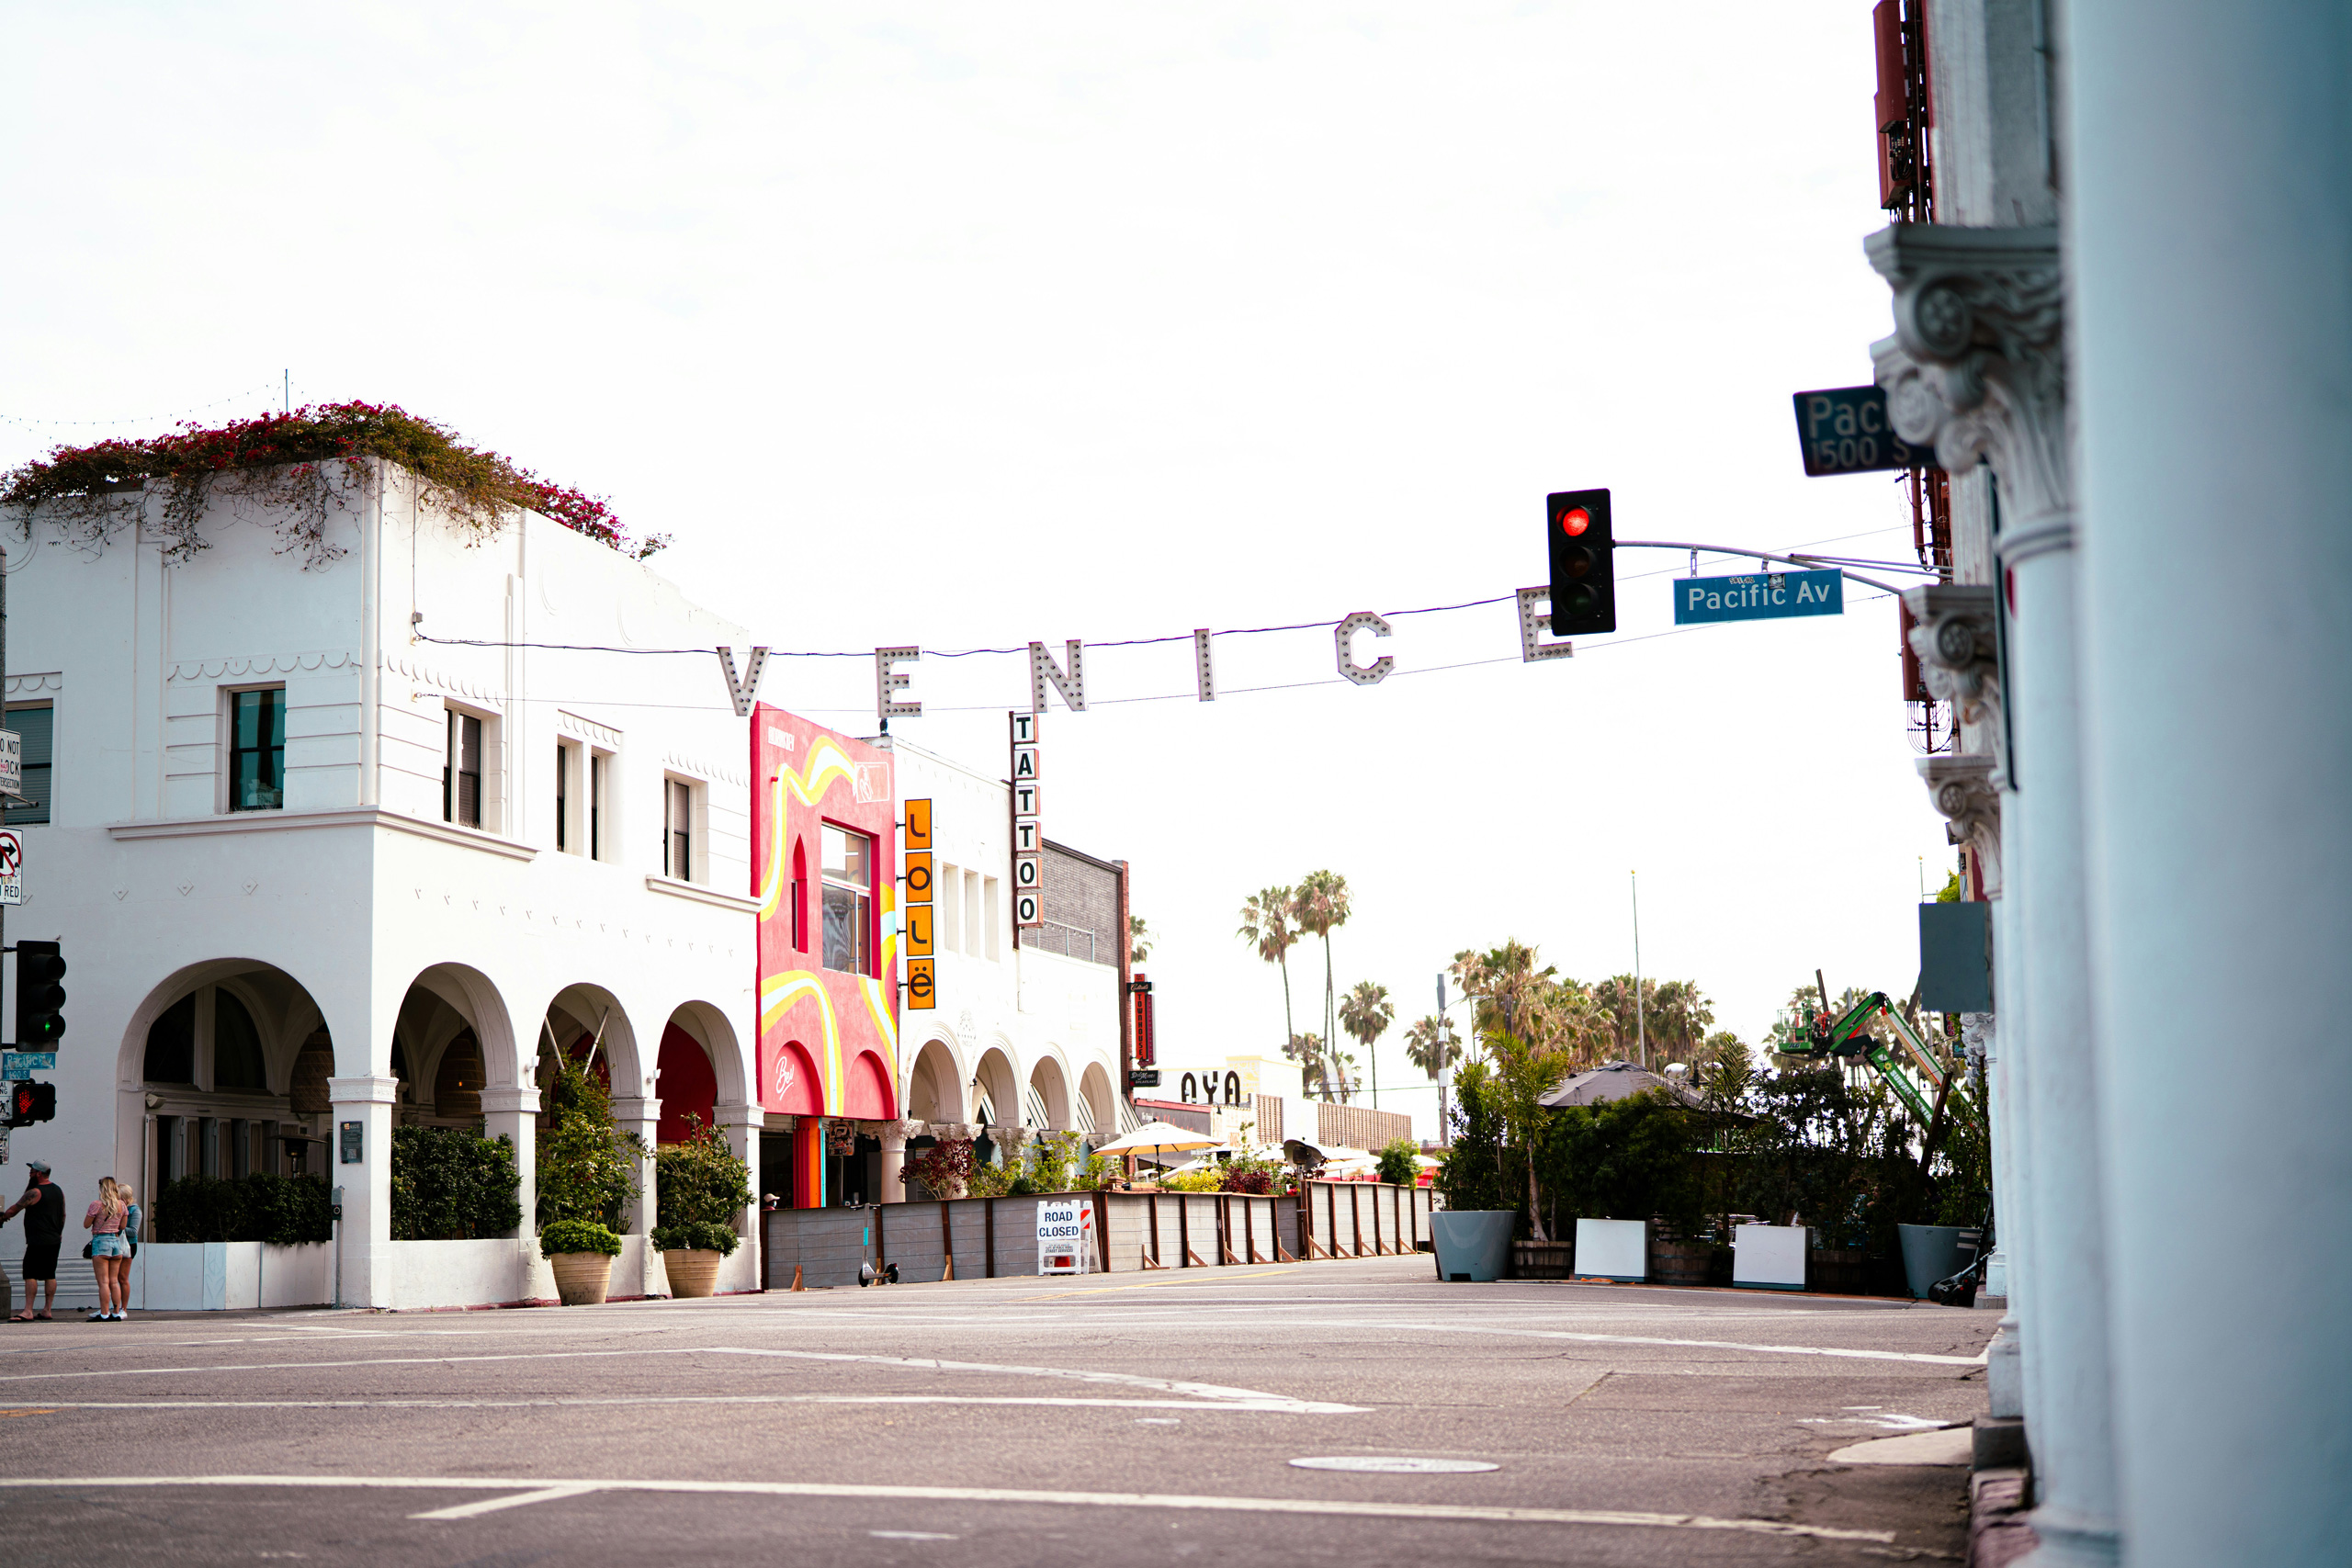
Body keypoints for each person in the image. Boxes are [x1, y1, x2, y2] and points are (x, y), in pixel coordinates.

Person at [4, 1161, 66, 1321]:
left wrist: (3, 1217)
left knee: (30, 1273)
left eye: (32, 1171)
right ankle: (47, 1310)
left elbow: (15, 1209)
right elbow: (63, 1214)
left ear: (39, 1173)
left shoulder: (35, 1192)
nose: (30, 1173)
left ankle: (28, 1311)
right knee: (50, 1274)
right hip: (54, 1239)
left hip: (38, 1240)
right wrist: (59, 1233)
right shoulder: (58, 1190)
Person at [85, 1177, 133, 1322]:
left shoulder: (96, 1205)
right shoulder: (121, 1205)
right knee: (114, 1281)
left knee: (103, 1282)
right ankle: (116, 1312)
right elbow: (122, 1226)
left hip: (101, 1243)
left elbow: (86, 1224)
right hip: (116, 1244)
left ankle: (104, 1313)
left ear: (102, 1189)